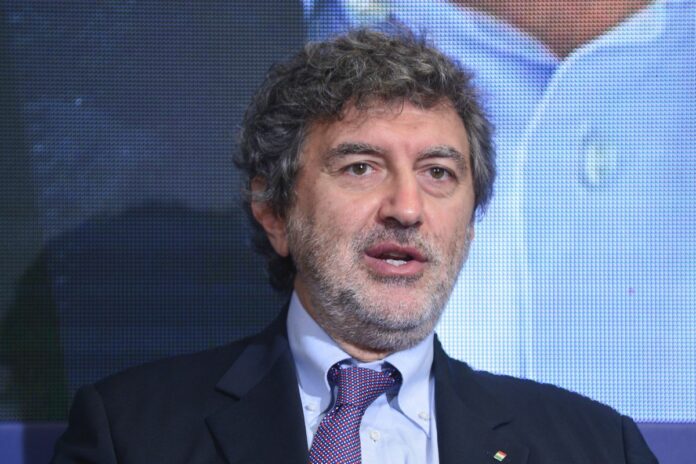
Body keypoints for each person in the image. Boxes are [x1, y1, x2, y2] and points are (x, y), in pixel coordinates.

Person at [51, 28, 657, 463]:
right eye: (361, 167)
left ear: (471, 224)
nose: (407, 208)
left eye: (438, 173)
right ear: (274, 211)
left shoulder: (598, 447)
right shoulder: (131, 435)